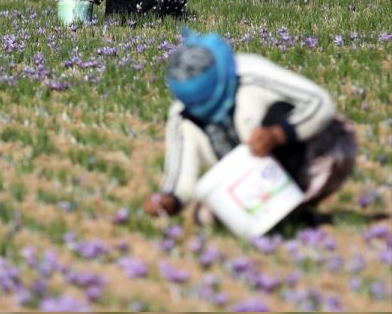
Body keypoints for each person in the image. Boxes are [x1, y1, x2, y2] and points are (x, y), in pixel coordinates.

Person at [144, 30, 357, 226]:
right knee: (206, 218)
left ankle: (290, 205)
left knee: (278, 111)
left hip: (319, 153)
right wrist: (167, 200)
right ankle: (282, 216)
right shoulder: (182, 114)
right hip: (253, 181)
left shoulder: (250, 73)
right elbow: (181, 174)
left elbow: (319, 102)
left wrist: (278, 134)